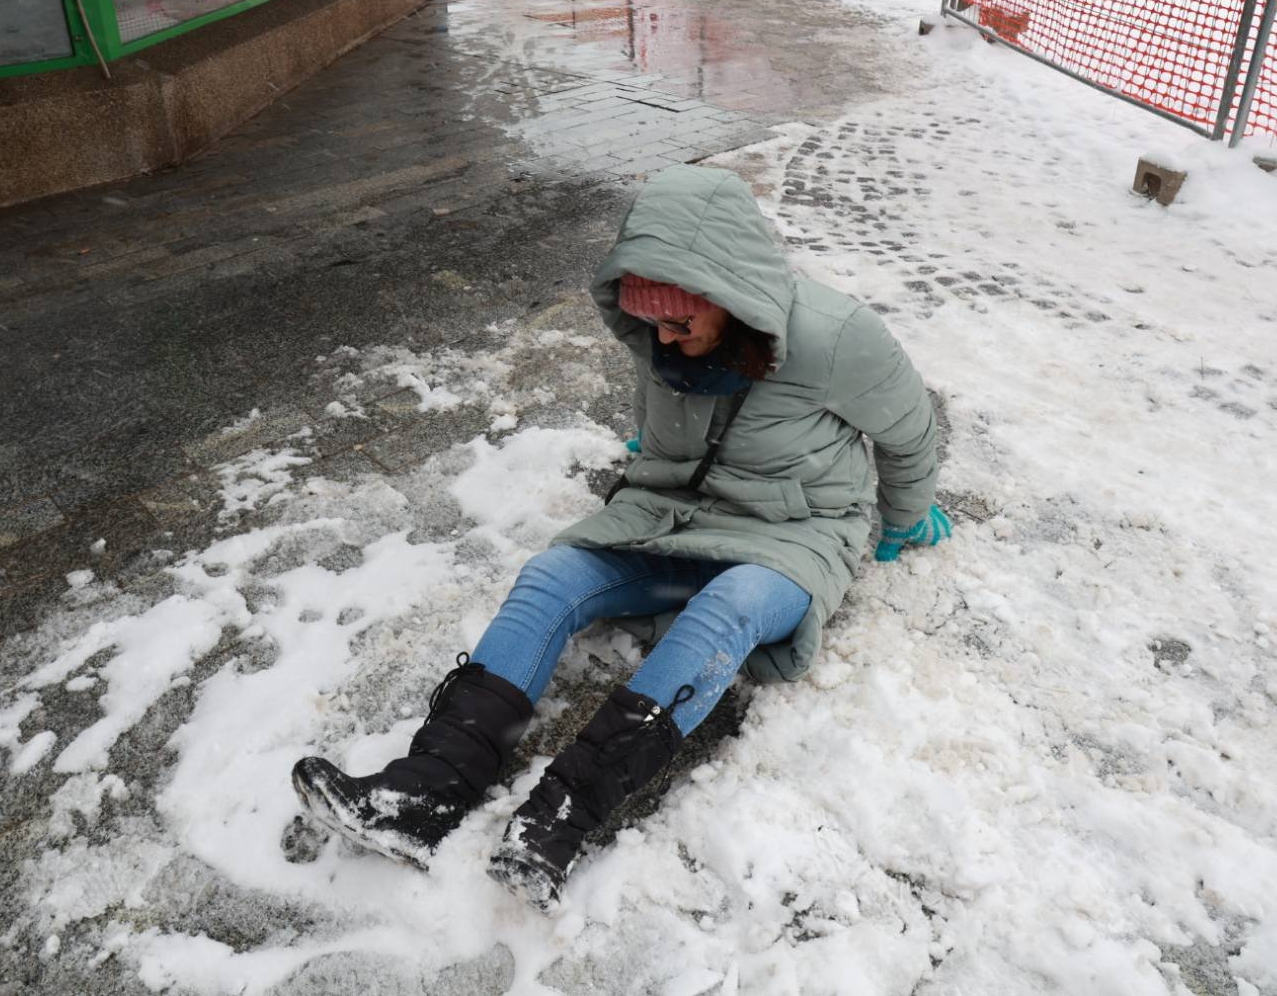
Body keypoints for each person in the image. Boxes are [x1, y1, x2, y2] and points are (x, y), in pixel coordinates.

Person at [292, 164, 952, 909]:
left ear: (732, 301)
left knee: (727, 608)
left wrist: (904, 515)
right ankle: (426, 792)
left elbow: (910, 431)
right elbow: (657, 413)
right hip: (671, 512)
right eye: (651, 325)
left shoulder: (840, 338)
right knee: (551, 577)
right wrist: (651, 448)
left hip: (792, 532)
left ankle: (565, 815)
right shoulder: (658, 337)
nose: (663, 339)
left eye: (680, 324)